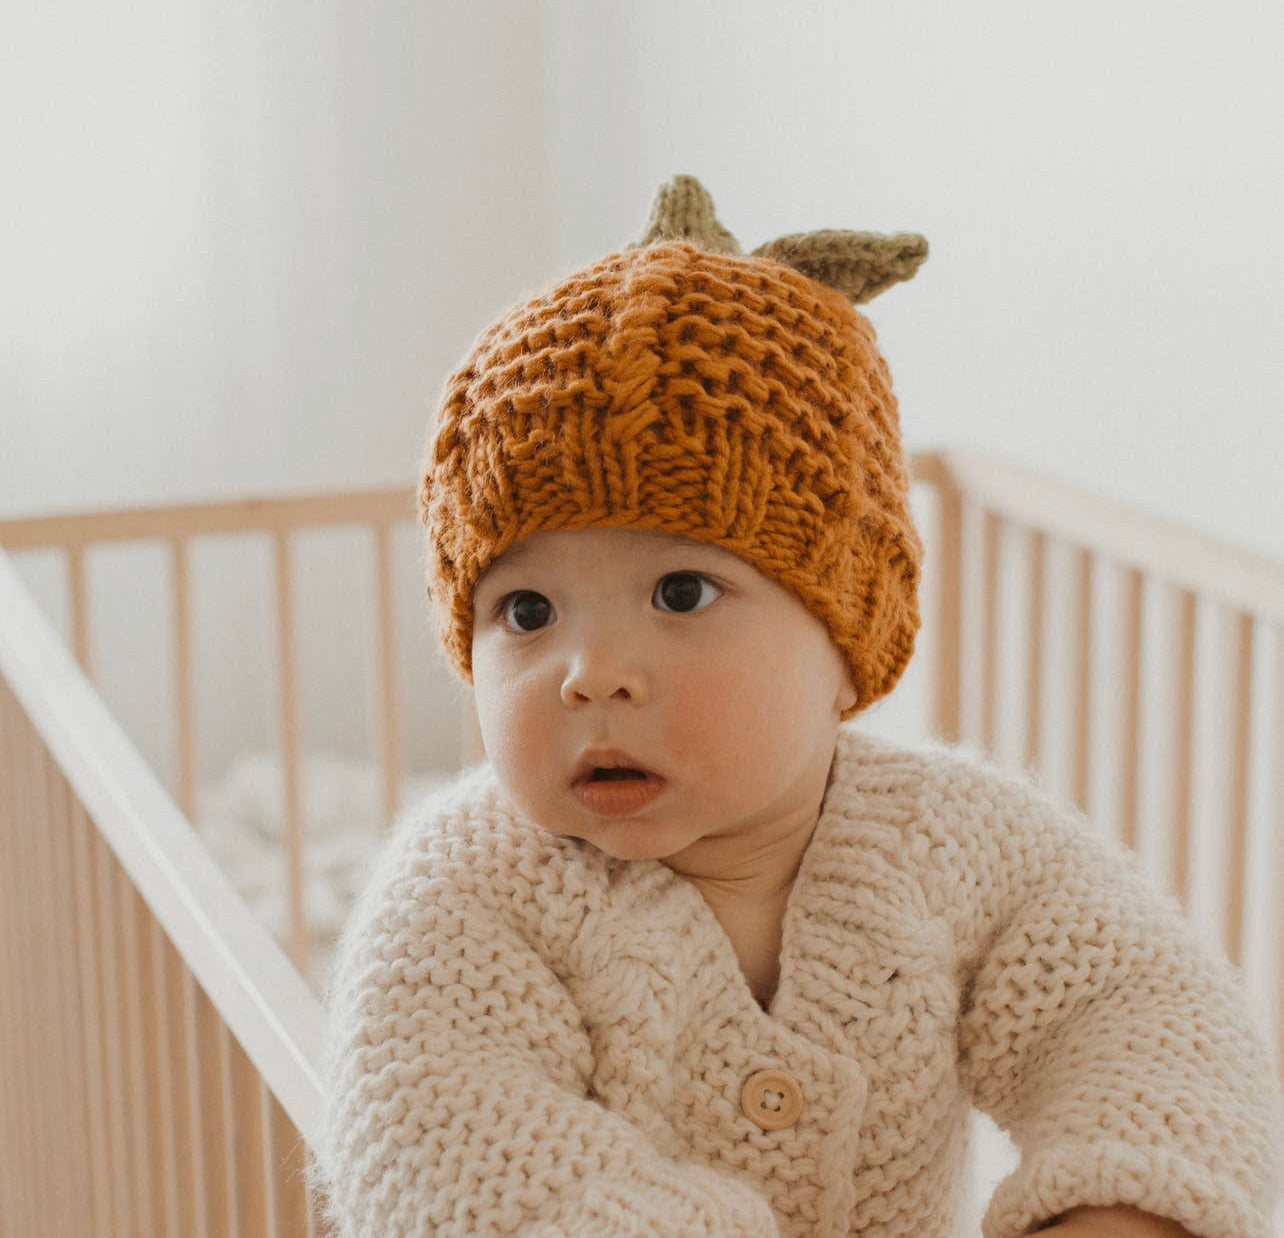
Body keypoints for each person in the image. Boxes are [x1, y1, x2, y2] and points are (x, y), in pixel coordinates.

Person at [305, 175, 1282, 1238]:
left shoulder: (957, 840)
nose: (590, 671)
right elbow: (461, 1161)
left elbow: (1138, 1008)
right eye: (527, 608)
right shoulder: (462, 899)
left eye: (681, 592)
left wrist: (1120, 1199)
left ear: (846, 647)